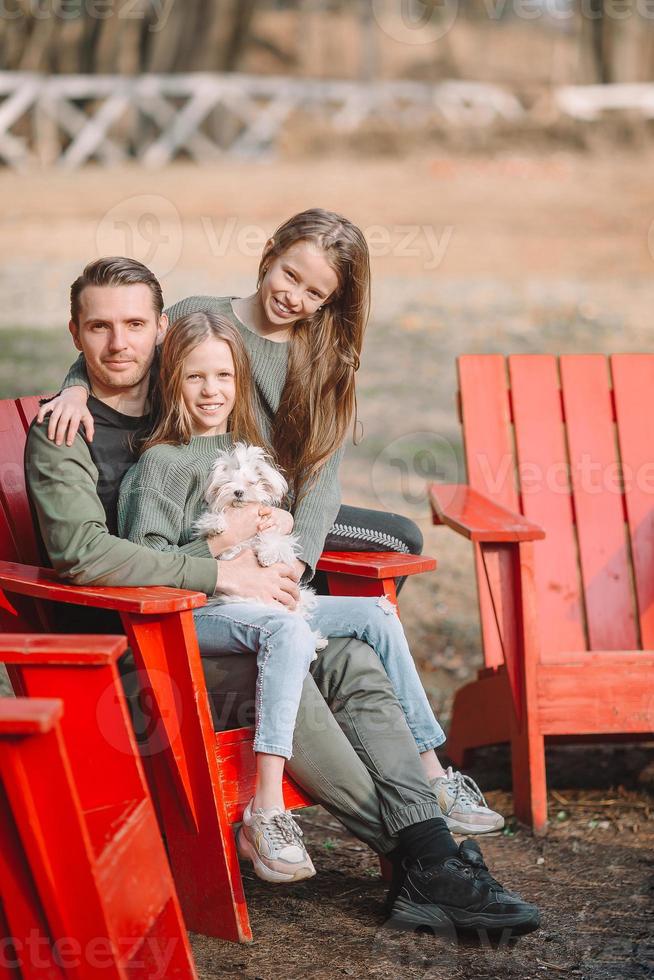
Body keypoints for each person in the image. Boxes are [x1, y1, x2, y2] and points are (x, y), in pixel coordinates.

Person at [29, 256, 540, 937]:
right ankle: (425, 856)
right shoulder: (63, 435)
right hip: (136, 645)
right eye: (98, 328)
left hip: (222, 618)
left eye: (134, 325)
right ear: (76, 332)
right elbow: (81, 555)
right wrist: (221, 570)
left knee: (353, 655)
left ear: (161, 329)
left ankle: (430, 849)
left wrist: (268, 549)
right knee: (284, 663)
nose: (117, 344)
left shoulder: (179, 389)